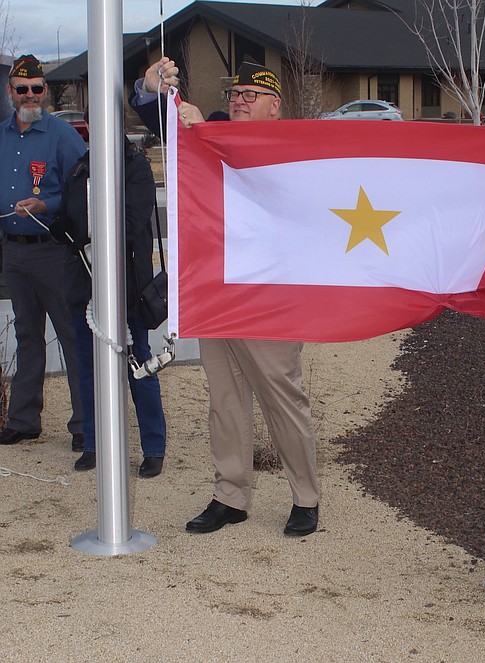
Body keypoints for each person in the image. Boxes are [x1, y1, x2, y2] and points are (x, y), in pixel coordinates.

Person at [129, 57, 319, 536]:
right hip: (217, 291)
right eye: (235, 94)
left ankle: (305, 498)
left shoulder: (295, 149)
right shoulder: (210, 130)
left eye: (250, 96)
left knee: (283, 399)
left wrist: (204, 128)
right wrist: (151, 90)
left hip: (271, 297)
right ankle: (230, 496)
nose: (238, 100)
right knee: (225, 400)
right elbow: (164, 120)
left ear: (275, 106)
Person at [50, 108, 167, 477]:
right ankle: (93, 443)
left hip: (126, 287)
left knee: (139, 365)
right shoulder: (78, 170)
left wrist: (85, 232)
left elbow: (130, 223)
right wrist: (61, 227)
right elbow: (67, 216)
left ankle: (153, 446)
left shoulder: (135, 169)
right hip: (83, 286)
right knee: (87, 366)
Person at [0, 54, 85, 451]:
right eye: (22, 89)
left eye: (37, 88)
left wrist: (45, 205)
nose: (30, 95)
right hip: (14, 253)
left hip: (53, 251)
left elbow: (82, 190)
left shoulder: (63, 136)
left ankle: (86, 424)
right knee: (27, 334)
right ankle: (23, 420)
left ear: (45, 91)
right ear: (10, 92)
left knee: (71, 336)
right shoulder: (1, 135)